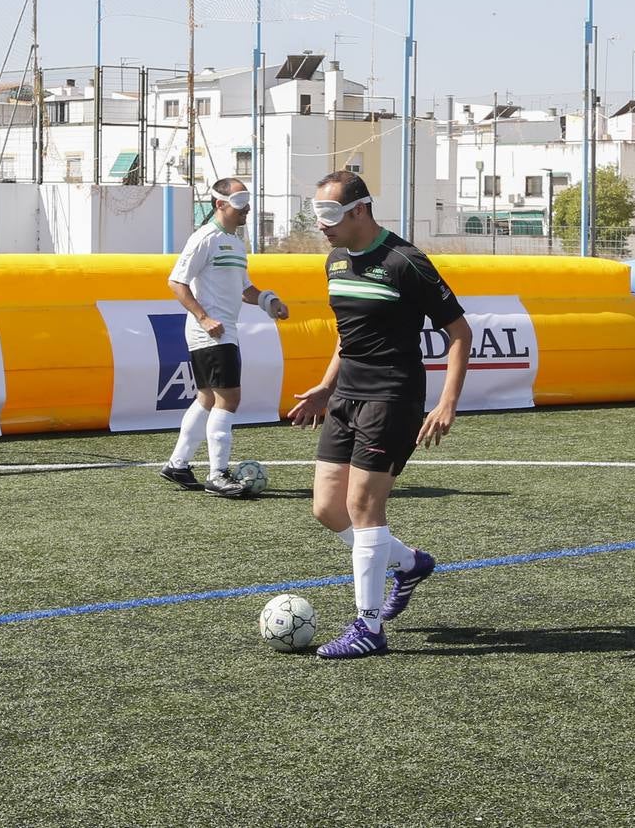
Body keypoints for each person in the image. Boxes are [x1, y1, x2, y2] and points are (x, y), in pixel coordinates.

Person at [289, 170, 472, 660]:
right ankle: (409, 563)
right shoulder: (334, 261)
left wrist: (447, 402)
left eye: (330, 214)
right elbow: (347, 335)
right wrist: (325, 387)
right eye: (317, 213)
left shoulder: (405, 262)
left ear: (360, 210)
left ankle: (368, 628)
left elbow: (459, 332)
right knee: (327, 509)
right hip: (345, 397)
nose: (321, 224)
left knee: (364, 506)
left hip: (392, 397)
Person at [160, 177, 289, 497]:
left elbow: (244, 287)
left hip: (224, 331)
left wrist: (269, 301)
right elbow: (176, 282)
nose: (247, 208)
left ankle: (177, 464)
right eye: (240, 202)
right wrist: (204, 318)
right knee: (229, 399)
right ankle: (217, 474)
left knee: (207, 398)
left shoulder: (235, 241)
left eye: (247, 201)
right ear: (220, 203)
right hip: (212, 333)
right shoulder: (205, 237)